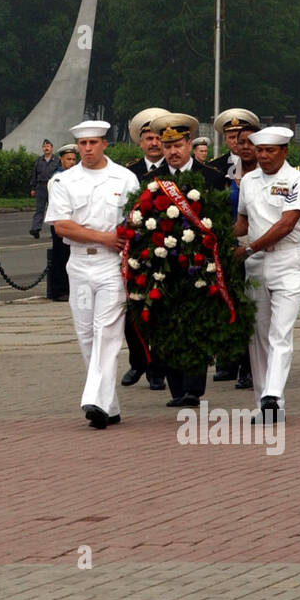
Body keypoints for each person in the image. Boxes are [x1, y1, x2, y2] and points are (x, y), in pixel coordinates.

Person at [45, 119, 139, 429]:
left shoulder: (124, 178)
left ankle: (95, 401)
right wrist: (104, 237)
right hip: (79, 264)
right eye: (82, 144)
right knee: (86, 333)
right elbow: (62, 226)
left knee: (106, 332)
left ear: (104, 144)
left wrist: (116, 243)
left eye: (93, 143)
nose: (87, 149)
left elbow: (136, 220)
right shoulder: (63, 181)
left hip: (112, 265)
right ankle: (108, 405)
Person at [147, 112, 228, 408]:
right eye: (167, 146)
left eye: (178, 144)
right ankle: (176, 388)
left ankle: (194, 387)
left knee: (195, 323)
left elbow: (221, 222)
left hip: (199, 265)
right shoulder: (152, 180)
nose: (172, 151)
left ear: (189, 143)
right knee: (166, 325)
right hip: (163, 264)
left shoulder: (212, 177)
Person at [234, 126, 300, 421]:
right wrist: (209, 236)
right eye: (260, 150)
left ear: (284, 151)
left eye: (270, 151)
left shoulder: (297, 179)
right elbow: (242, 222)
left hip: (286, 260)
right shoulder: (249, 181)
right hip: (254, 266)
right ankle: (265, 404)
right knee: (258, 336)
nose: (263, 156)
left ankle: (273, 395)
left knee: (280, 331)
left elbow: (286, 224)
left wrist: (249, 248)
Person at [209, 109, 261, 391]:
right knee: (229, 301)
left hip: (260, 242)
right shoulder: (217, 168)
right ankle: (228, 358)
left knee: (253, 304)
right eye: (232, 137)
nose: (238, 144)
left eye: (243, 138)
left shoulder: (266, 163)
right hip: (229, 244)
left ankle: (250, 366)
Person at [120, 107, 170, 389]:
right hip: (137, 252)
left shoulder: (172, 170)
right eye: (148, 138)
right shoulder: (129, 174)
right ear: (140, 142)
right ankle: (138, 362)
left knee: (160, 312)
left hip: (167, 250)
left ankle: (157, 370)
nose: (153, 143)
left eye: (157, 138)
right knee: (132, 315)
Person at [46, 144, 79, 301]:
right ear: (61, 160)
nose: (72, 162)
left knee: (70, 257)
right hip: (60, 223)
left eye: (74, 159)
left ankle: (68, 288)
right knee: (60, 257)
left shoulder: (76, 178)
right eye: (68, 159)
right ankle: (58, 290)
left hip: (72, 224)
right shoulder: (57, 179)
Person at [29, 140, 60, 238]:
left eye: (48, 146)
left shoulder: (57, 160)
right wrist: (33, 188)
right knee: (39, 209)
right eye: (44, 146)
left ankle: (55, 231)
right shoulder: (38, 161)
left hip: (52, 187)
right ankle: (35, 229)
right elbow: (34, 175)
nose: (46, 148)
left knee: (54, 210)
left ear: (51, 148)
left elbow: (60, 174)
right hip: (40, 187)